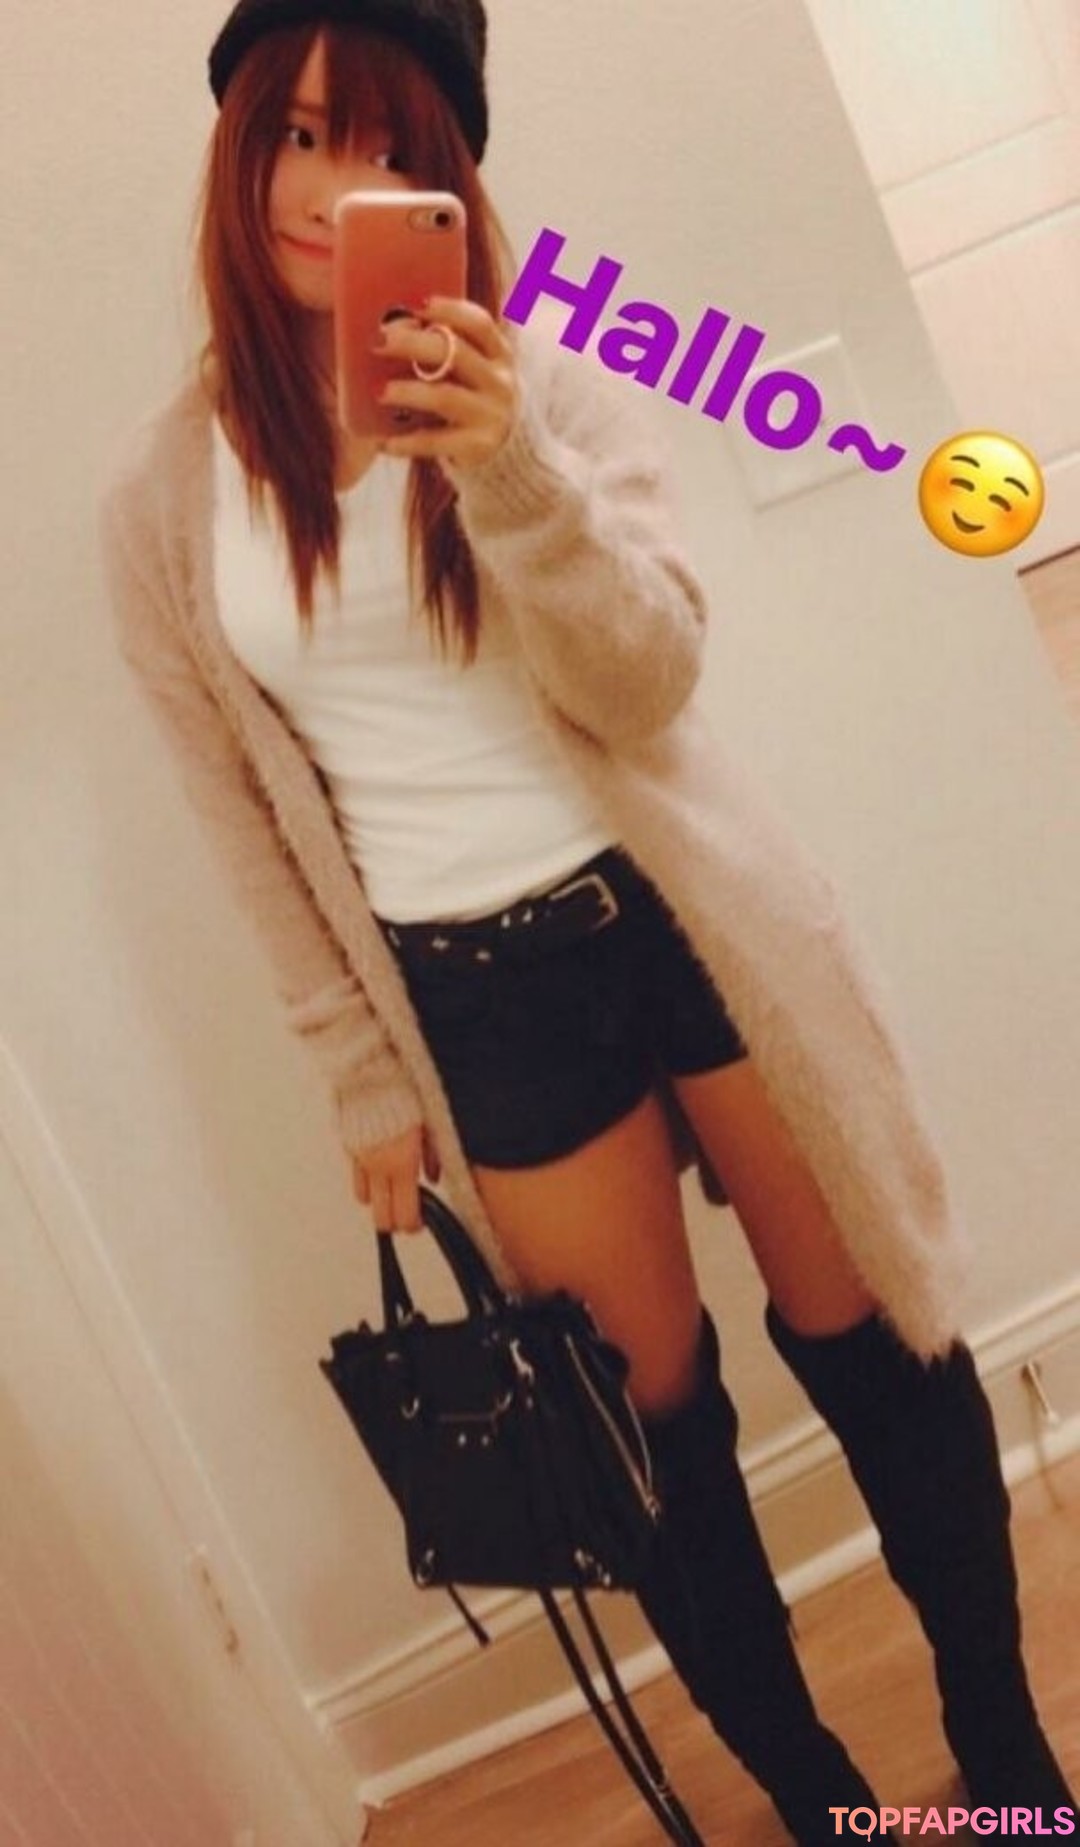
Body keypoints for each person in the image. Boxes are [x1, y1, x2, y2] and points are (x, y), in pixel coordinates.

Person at [99, 3, 1077, 1840]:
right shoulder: (164, 502)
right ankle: (822, 1803)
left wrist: (508, 473)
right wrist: (354, 1076)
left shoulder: (540, 375)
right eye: (302, 132)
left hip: (691, 922)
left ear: (447, 174)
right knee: (659, 1449)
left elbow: (650, 679)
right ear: (237, 143)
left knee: (880, 1341)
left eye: (390, 145)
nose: (336, 185)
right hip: (483, 994)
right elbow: (237, 821)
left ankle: (1004, 1750)